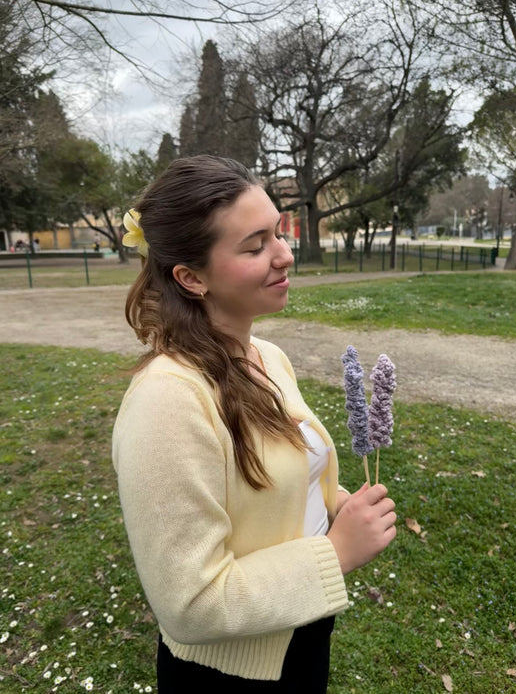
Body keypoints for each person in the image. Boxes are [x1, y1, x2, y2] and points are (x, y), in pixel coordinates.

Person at [112, 156, 397, 693]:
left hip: (300, 633)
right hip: (228, 675)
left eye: (279, 233)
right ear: (191, 277)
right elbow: (189, 605)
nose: (285, 255)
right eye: (255, 245)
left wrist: (338, 503)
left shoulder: (266, 356)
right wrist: (337, 552)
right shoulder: (167, 401)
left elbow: (282, 479)